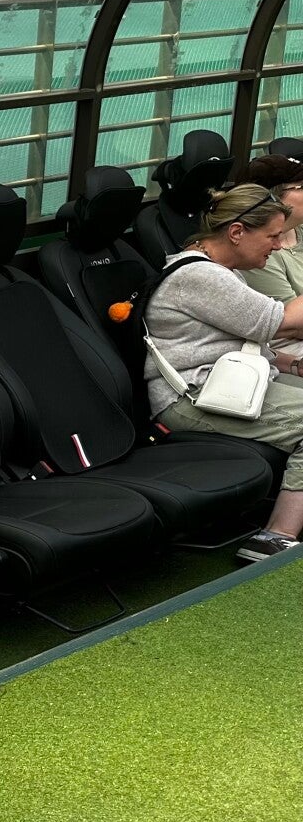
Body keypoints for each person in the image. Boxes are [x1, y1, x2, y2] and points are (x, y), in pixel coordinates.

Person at [144, 183, 303, 561]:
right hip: (192, 399)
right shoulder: (200, 276)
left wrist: (294, 365)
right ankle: (274, 537)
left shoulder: (220, 270)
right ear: (236, 232)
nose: (278, 245)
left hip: (232, 383)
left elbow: (248, 344)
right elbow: (279, 321)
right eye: (272, 236)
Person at [233, 155, 303, 314]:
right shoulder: (260, 252)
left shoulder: (299, 228)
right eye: (301, 187)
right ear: (272, 198)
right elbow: (292, 318)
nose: (275, 244)